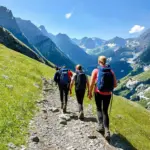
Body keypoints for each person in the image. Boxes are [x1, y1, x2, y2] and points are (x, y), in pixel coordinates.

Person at [88, 56, 117, 141]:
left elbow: (91, 83)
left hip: (98, 92)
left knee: (98, 109)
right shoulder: (111, 71)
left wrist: (90, 92)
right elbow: (115, 85)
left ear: (98, 62)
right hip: (108, 94)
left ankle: (100, 126)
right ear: (105, 61)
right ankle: (107, 131)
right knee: (105, 111)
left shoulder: (96, 71)